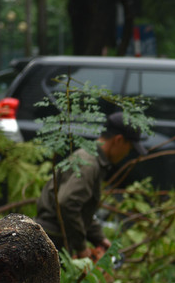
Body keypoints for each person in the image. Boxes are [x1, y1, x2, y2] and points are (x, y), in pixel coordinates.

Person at [35, 111, 146, 260]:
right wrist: (82, 248)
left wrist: (98, 238)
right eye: (130, 148)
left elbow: (82, 209)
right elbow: (67, 203)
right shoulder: (88, 163)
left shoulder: (94, 160)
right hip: (52, 239)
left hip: (58, 238)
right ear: (118, 140)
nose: (127, 153)